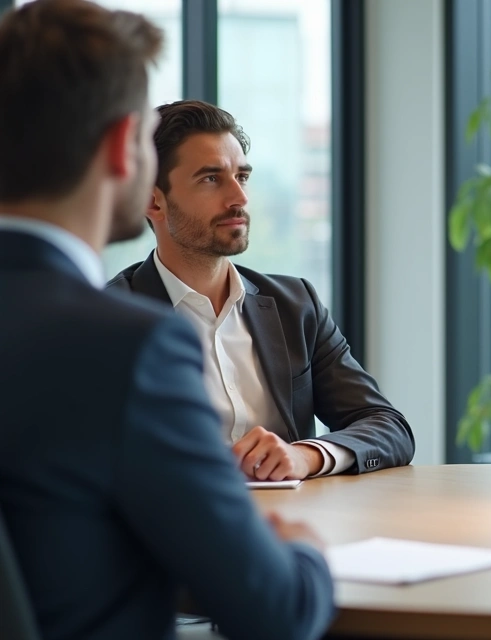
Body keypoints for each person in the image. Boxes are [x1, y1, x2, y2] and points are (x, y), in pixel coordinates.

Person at [0, 1, 334, 639]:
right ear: (125, 149)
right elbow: (276, 613)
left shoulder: (287, 302)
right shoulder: (129, 347)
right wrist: (303, 546)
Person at [107, 100, 414, 480]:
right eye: (211, 178)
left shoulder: (296, 305)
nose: (239, 197)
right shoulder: (107, 318)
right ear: (154, 200)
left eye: (243, 176)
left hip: (298, 524)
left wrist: (306, 455)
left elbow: (387, 426)